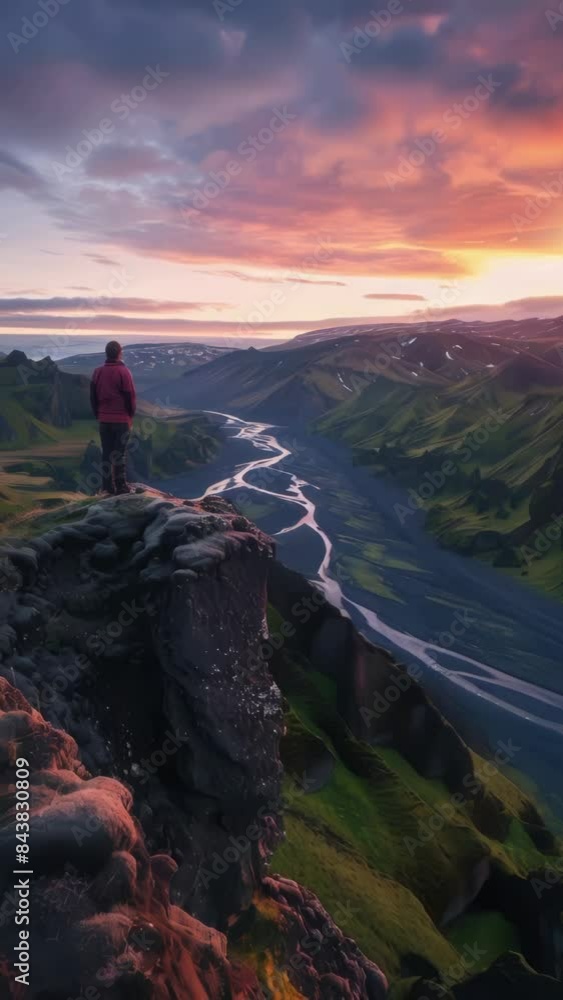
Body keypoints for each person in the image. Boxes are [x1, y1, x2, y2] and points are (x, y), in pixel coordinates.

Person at [90, 341, 136, 495]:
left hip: (104, 420)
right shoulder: (124, 372)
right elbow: (130, 396)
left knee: (106, 453)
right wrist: (130, 415)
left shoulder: (97, 372)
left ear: (106, 353)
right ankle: (121, 487)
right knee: (119, 454)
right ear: (119, 353)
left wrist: (98, 414)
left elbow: (93, 396)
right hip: (121, 420)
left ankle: (107, 487)